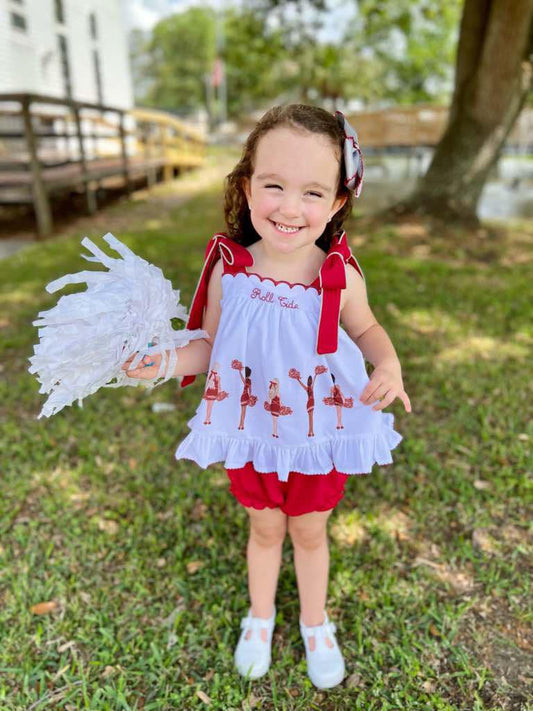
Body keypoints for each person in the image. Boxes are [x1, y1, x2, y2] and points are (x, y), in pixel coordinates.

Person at [122, 104, 411, 690]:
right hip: (252, 428)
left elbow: (367, 330)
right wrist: (166, 361)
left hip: (318, 433)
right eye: (273, 185)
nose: (288, 207)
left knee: (308, 530)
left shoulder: (337, 274)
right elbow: (209, 344)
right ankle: (260, 616)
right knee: (264, 529)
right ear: (247, 184)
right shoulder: (231, 271)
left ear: (335, 204)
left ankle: (314, 621)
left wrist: (389, 362)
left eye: (311, 192)